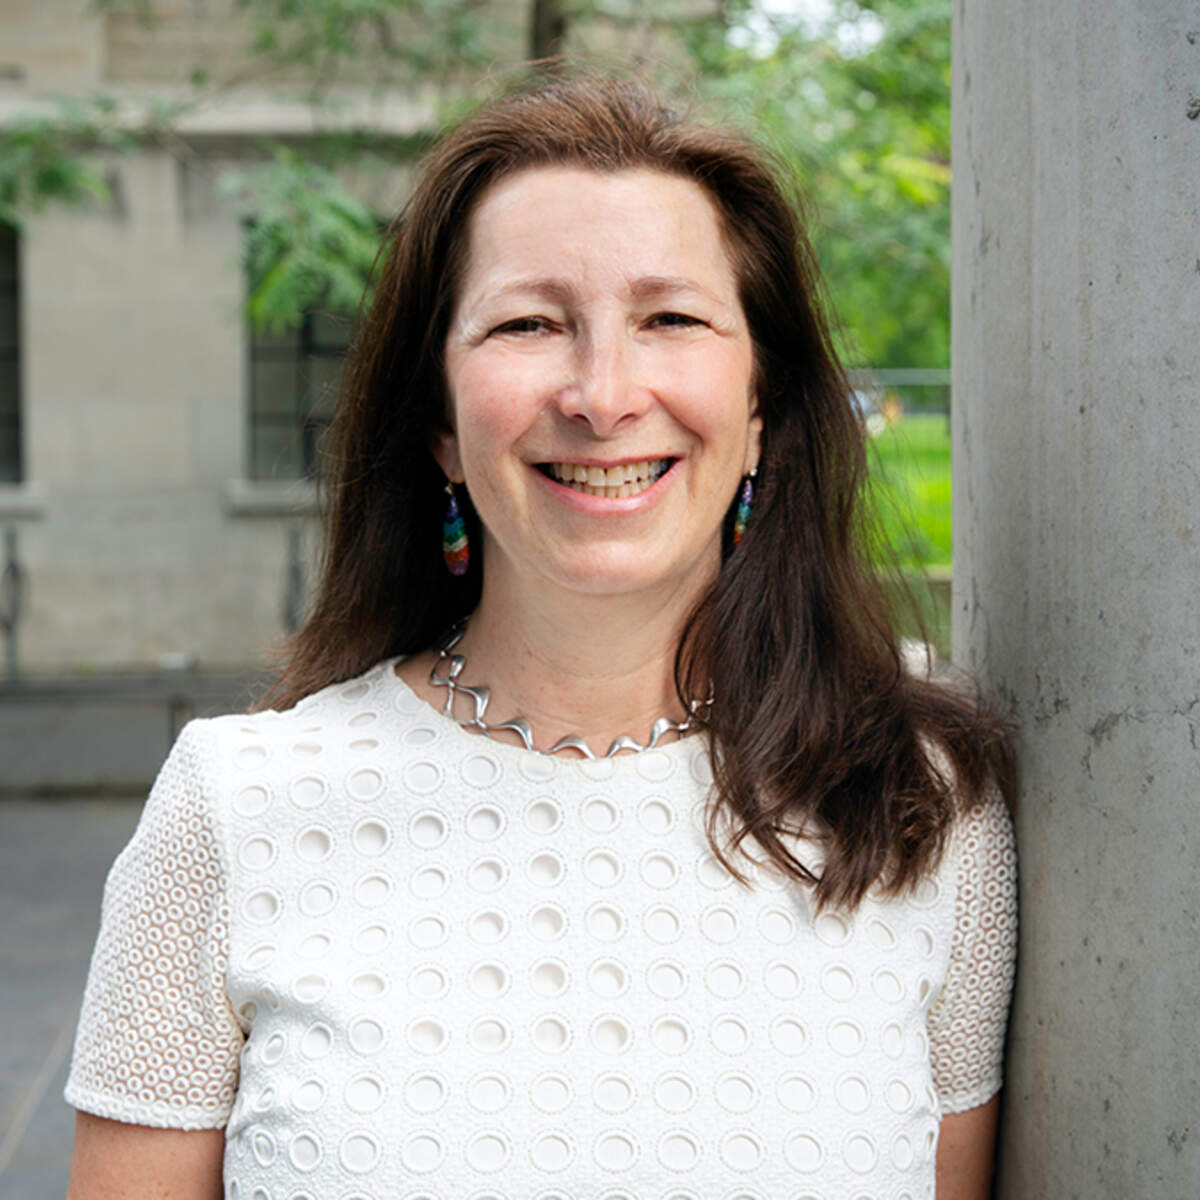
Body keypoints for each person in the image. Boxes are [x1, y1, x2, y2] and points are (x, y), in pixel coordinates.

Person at [65, 71, 1017, 1200]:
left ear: (762, 408)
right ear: (440, 427)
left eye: (671, 318)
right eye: (530, 323)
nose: (603, 394)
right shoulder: (236, 811)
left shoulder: (921, 792)